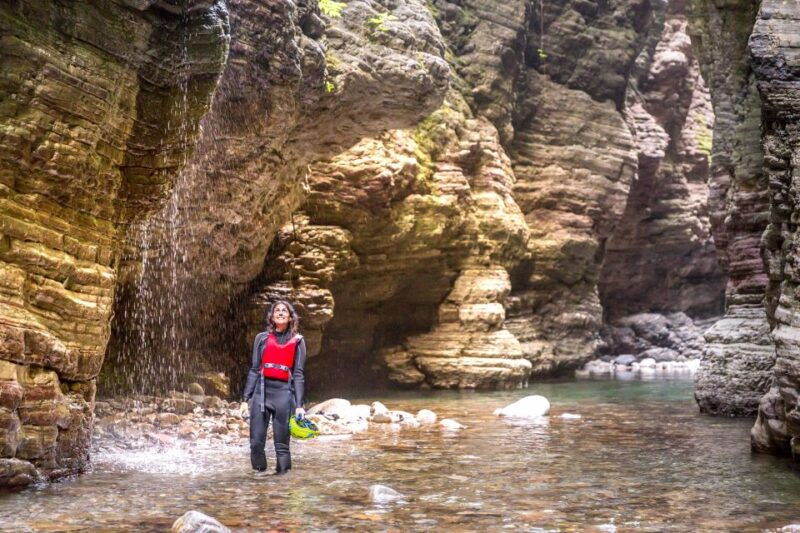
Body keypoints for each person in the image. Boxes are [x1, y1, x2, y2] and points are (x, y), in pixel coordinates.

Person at [242, 300, 306, 475]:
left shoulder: (298, 341)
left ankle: (282, 483)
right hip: (261, 392)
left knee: (282, 445)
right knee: (255, 443)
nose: (280, 312)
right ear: (271, 316)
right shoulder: (261, 338)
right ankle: (260, 475)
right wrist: (245, 398)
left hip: (284, 394)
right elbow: (255, 369)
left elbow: (298, 374)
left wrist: (299, 405)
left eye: (284, 310)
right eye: (276, 310)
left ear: (290, 317)